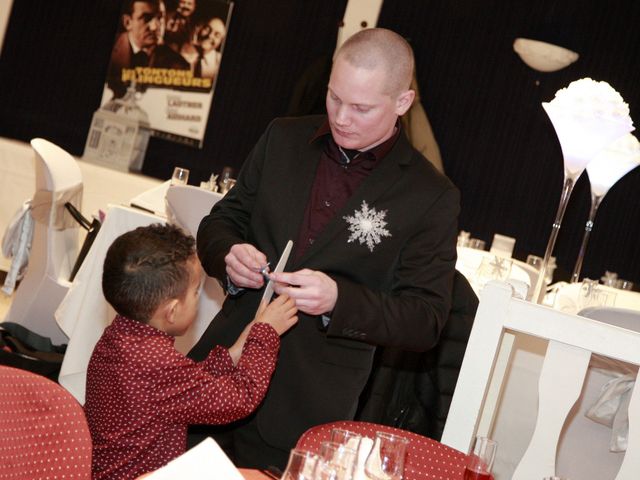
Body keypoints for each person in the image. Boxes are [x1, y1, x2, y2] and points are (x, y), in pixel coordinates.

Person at [190, 28, 460, 469]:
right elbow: (221, 221)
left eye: (361, 107)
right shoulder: (283, 138)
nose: (341, 117)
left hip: (307, 403)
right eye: (335, 98)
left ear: (402, 104)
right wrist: (229, 254)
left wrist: (339, 300)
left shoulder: (429, 195)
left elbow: (425, 319)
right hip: (221, 371)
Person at [84, 224, 298, 479]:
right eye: (196, 292)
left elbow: (184, 386)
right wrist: (265, 334)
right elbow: (240, 399)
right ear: (172, 311)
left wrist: (240, 348)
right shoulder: (156, 362)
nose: (199, 297)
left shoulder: (120, 335)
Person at [107, 0, 190, 97]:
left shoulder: (178, 65)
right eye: (146, 18)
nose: (155, 27)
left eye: (160, 18)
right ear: (127, 22)